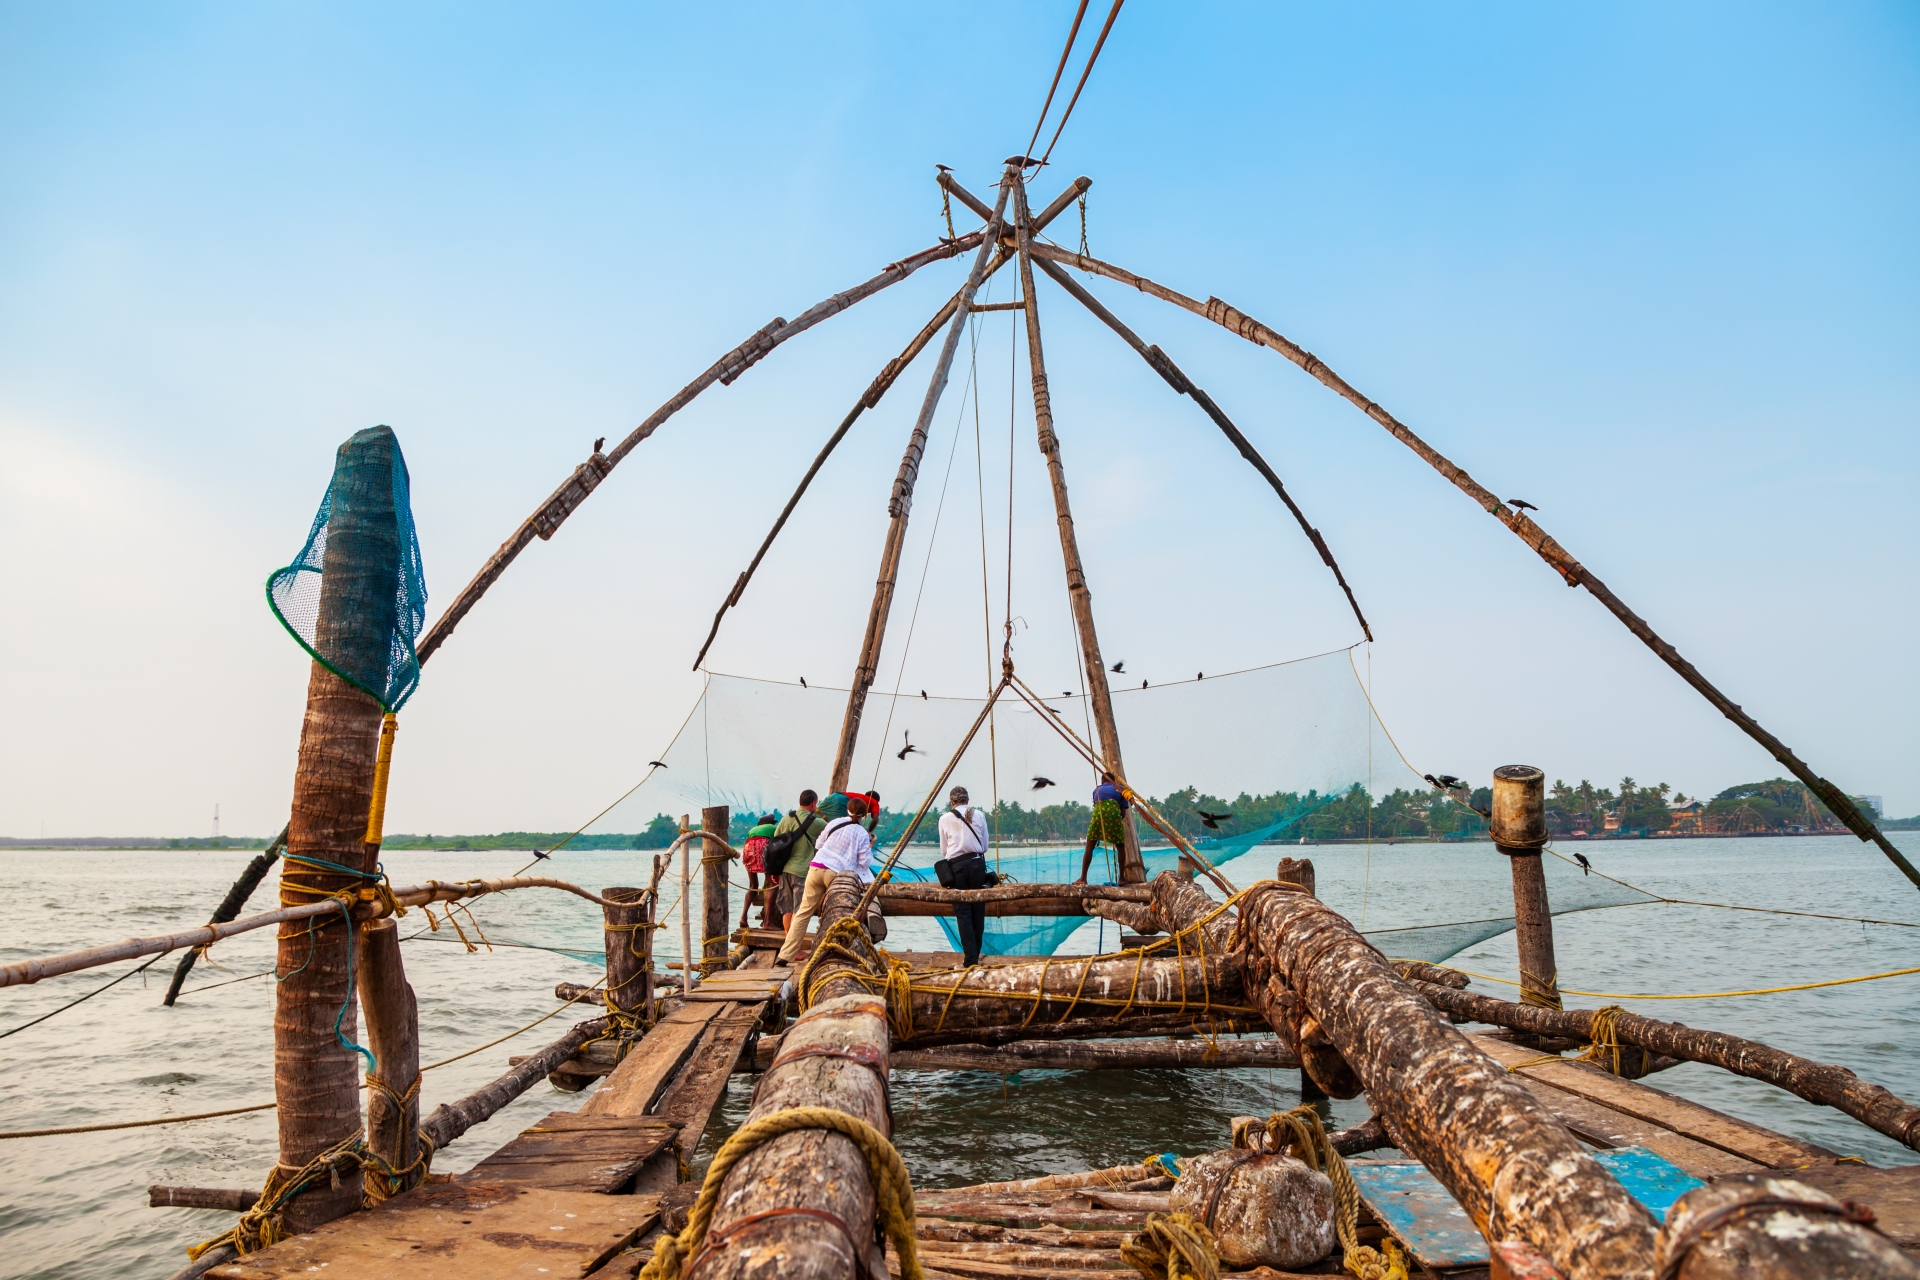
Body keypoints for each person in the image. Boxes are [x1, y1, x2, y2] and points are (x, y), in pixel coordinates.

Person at [776, 793, 875, 963]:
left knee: (803, 912)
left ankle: (785, 955)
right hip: (836, 874)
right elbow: (865, 862)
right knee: (837, 912)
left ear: (847, 810)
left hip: (816, 867)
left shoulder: (835, 823)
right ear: (864, 816)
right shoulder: (862, 833)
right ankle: (831, 953)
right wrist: (870, 844)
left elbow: (819, 844)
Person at [936, 785, 992, 966]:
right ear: (967, 800)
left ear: (951, 802)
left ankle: (970, 959)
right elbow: (984, 846)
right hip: (977, 865)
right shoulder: (979, 815)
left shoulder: (944, 818)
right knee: (977, 910)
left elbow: (944, 851)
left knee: (963, 913)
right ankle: (974, 957)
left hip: (957, 868)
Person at [767, 791, 823, 931]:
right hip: (802, 871)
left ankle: (788, 939)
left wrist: (775, 870)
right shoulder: (816, 822)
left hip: (785, 870)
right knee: (799, 911)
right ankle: (794, 944)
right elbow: (832, 832)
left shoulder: (786, 818)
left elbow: (775, 841)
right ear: (813, 803)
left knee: (787, 910)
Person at [1073, 772, 1130, 884]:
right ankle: (1122, 878)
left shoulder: (1096, 790)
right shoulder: (1121, 789)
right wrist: (1115, 821)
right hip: (1113, 816)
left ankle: (1083, 878)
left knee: (1089, 847)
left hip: (1098, 815)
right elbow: (1123, 813)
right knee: (1120, 847)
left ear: (1102, 782)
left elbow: (1098, 806)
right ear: (1114, 781)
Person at [739, 813, 779, 928]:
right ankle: (767, 922)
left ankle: (743, 917)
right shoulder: (774, 828)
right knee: (772, 884)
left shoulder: (752, 830)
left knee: (753, 885)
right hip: (763, 846)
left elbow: (748, 842)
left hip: (748, 848)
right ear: (771, 823)